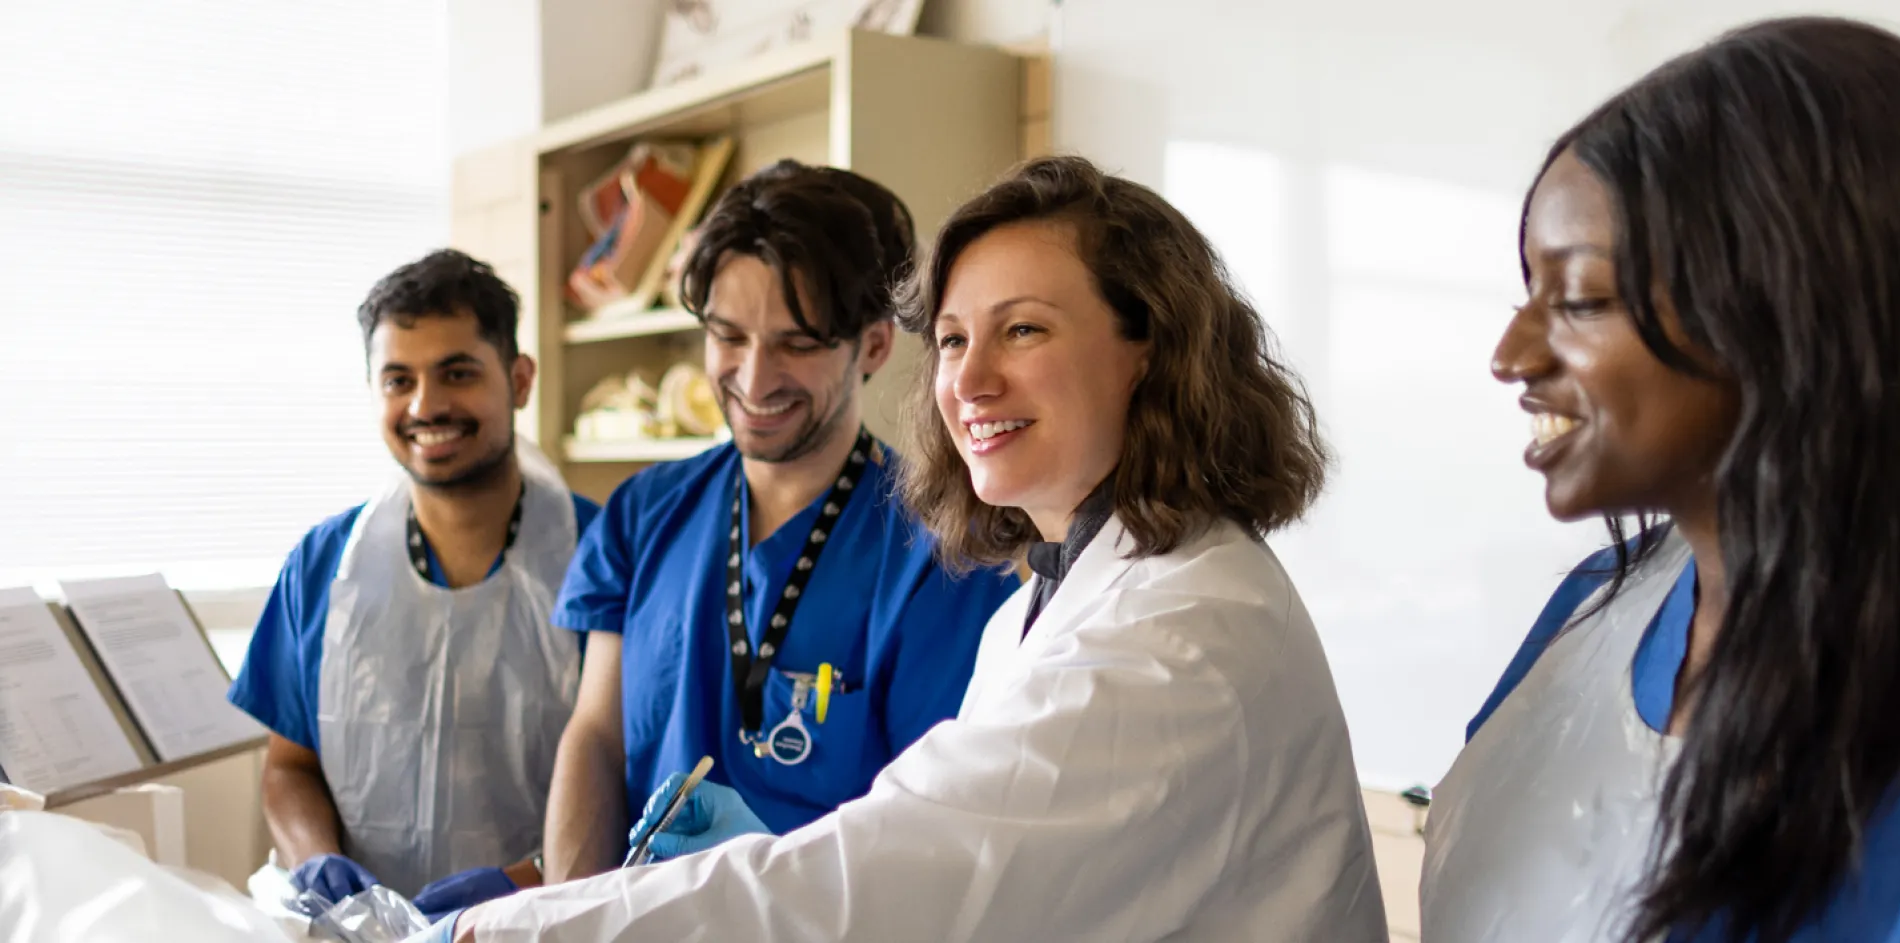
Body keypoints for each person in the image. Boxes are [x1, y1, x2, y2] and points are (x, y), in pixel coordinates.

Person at [420, 156, 1386, 941]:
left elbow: (899, 873)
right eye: (957, 340)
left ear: (1151, 348)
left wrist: (524, 928)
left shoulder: (1180, 635)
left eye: (1024, 329)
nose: (970, 380)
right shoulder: (1040, 605)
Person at [1420, 17, 1900, 943]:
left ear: (1793, 311)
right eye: (1525, 298)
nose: (1512, 356)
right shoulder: (1594, 610)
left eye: (1581, 298)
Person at [537, 161, 1021, 881]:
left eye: (797, 344)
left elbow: (935, 832)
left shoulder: (939, 553)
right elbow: (598, 738)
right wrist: (563, 917)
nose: (755, 379)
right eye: (729, 336)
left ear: (876, 346)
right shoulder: (642, 515)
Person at [227, 250, 602, 911]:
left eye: (456, 373)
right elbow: (289, 768)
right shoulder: (323, 567)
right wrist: (316, 859)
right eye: (398, 380)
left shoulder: (604, 559)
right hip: (365, 925)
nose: (426, 405)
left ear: (519, 380)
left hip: (547, 919)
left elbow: (641, 775)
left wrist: (529, 879)